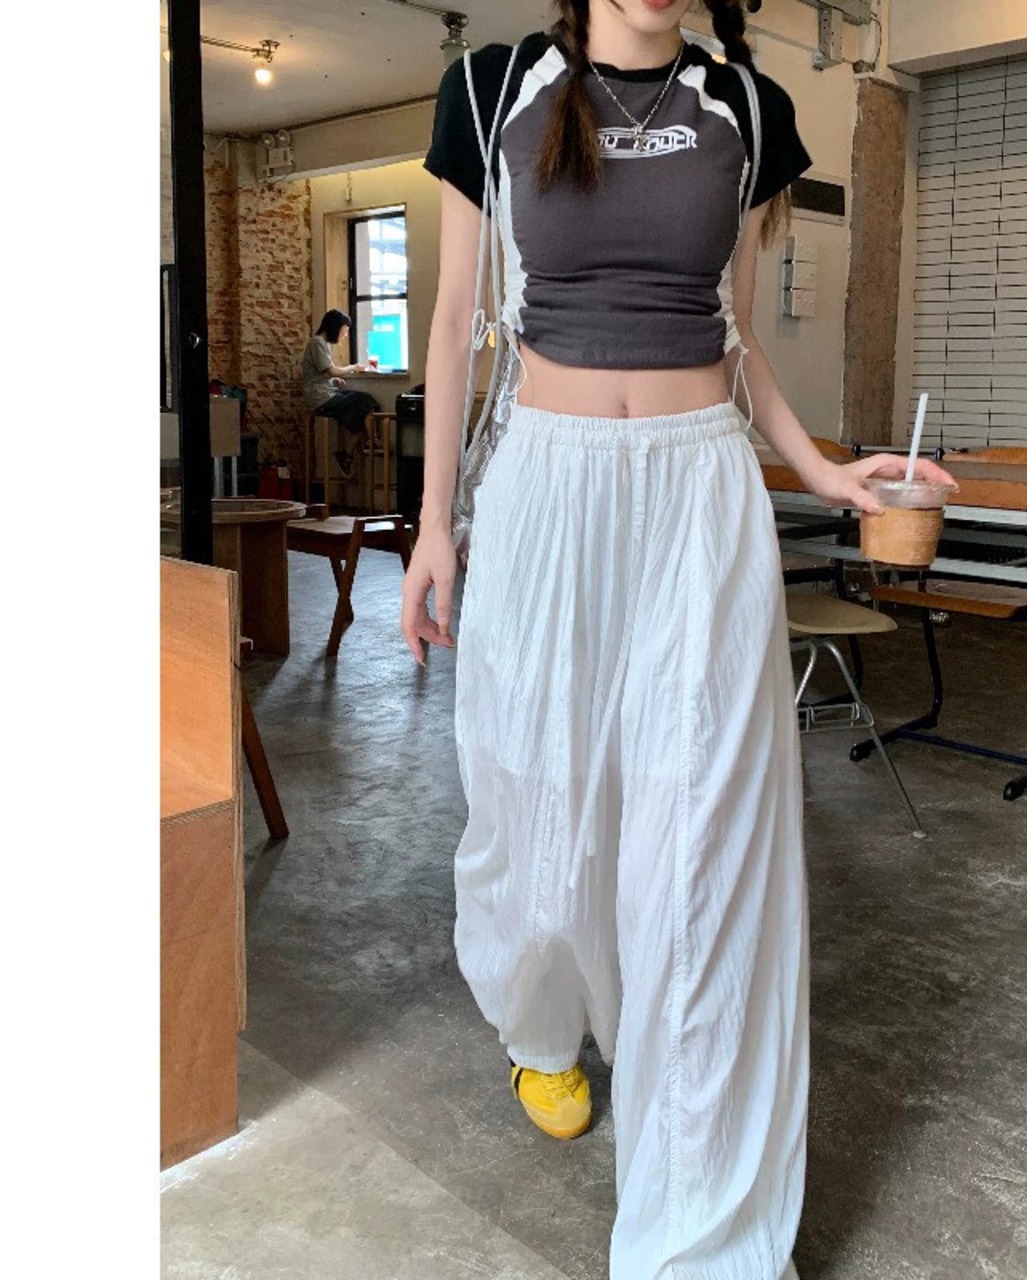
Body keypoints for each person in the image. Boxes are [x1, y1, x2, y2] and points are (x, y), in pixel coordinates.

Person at [401, 3, 954, 1277]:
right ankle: (544, 1027)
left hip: (699, 490)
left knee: (702, 845)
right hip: (543, 488)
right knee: (535, 811)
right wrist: (432, 525)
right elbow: (450, 320)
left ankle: (700, 1234)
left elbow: (735, 334)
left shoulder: (746, 109)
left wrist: (817, 466)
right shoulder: (490, 89)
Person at [300, 309, 378, 477]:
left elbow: (320, 373)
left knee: (360, 416)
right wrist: (353, 367)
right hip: (321, 398)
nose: (345, 335)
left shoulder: (323, 344)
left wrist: (334, 380)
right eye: (344, 330)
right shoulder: (317, 343)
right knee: (366, 400)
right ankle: (373, 442)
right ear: (335, 327)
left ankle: (348, 455)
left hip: (325, 393)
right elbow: (331, 370)